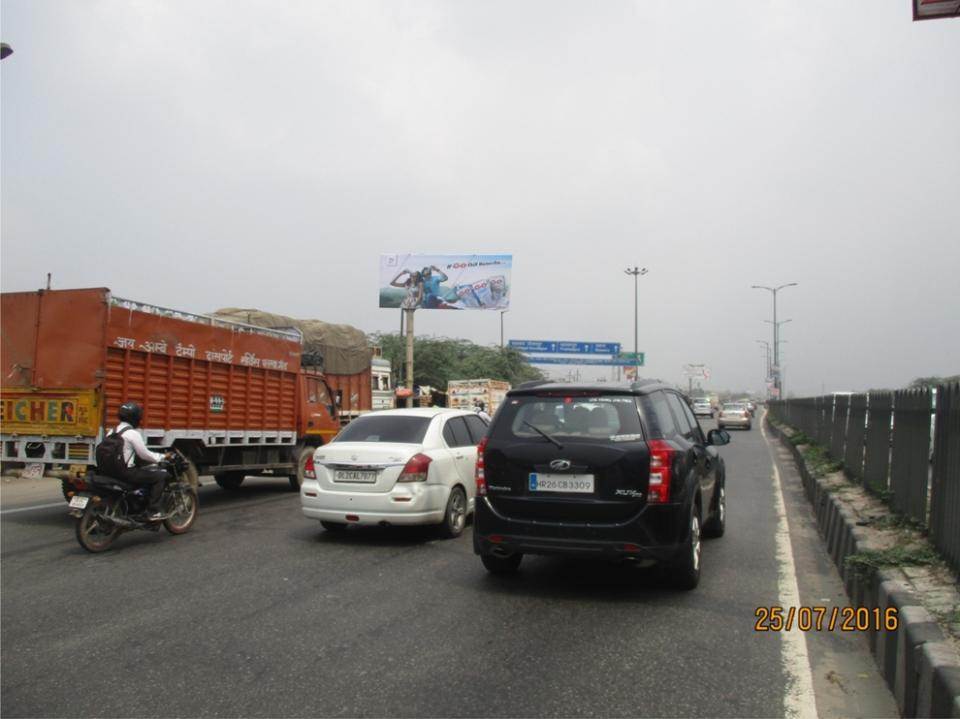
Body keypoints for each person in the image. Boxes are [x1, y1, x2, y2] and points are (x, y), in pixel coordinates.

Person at [111, 402, 169, 520]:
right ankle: (153, 511)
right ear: (135, 418)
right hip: (125, 472)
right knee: (160, 476)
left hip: (110, 471)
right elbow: (145, 455)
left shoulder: (111, 431)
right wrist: (162, 457)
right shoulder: (132, 434)